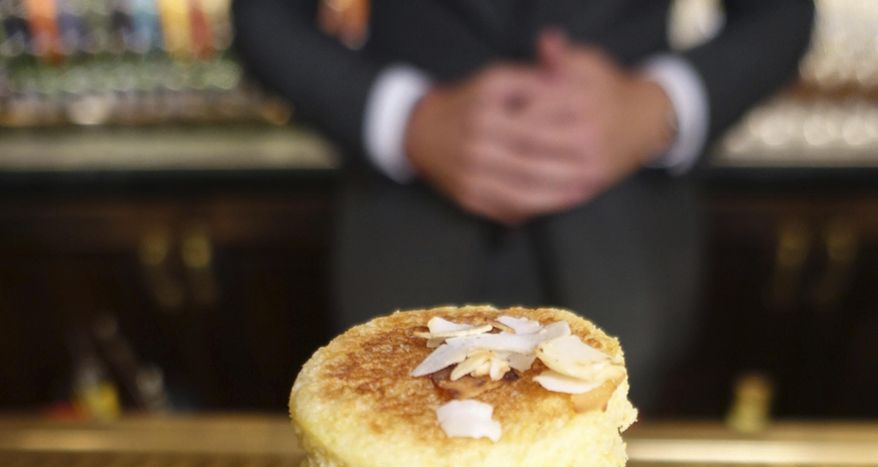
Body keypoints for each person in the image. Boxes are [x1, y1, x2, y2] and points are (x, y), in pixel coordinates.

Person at [232, 1, 814, 404]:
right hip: (405, 232)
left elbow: (780, 15)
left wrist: (657, 105)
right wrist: (406, 120)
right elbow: (264, 17)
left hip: (624, 241)